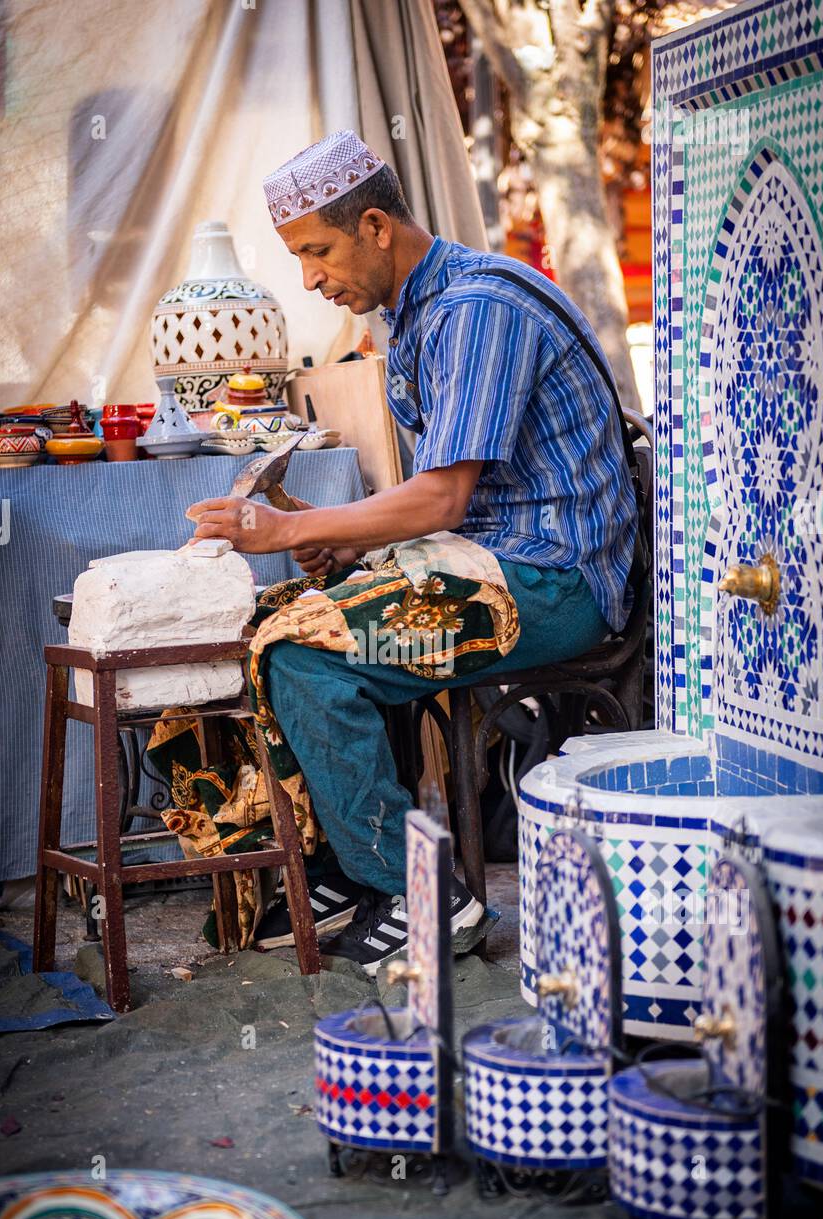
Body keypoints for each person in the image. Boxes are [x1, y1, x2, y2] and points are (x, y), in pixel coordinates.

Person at [188, 130, 638, 975]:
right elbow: (441, 505)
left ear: (375, 227)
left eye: (318, 252)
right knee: (276, 620)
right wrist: (336, 547)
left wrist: (291, 531)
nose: (312, 279)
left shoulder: (476, 308)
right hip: (496, 562)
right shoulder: (418, 310)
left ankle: (420, 894)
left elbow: (442, 498)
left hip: (555, 581)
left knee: (309, 659)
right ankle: (332, 869)